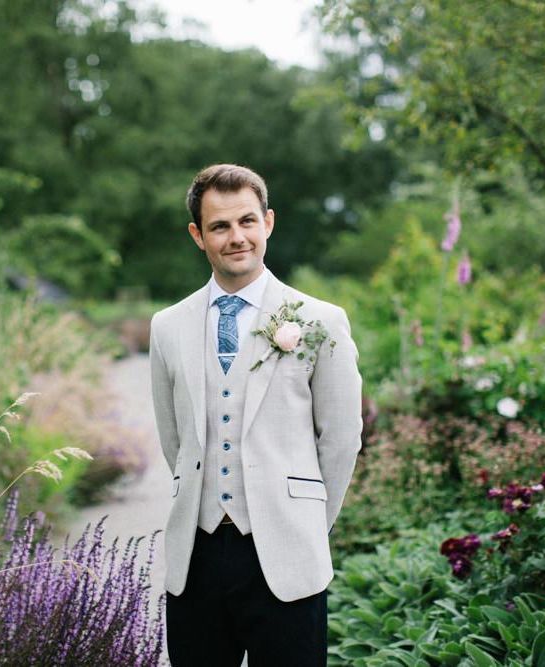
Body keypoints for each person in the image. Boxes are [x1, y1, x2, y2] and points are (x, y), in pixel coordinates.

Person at [149, 163, 362, 666]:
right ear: (198, 236)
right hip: (195, 555)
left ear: (268, 222)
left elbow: (341, 439)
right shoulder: (167, 326)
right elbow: (173, 439)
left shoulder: (319, 320)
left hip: (287, 555)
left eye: (247, 221)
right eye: (220, 226)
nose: (236, 237)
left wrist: (305, 522)